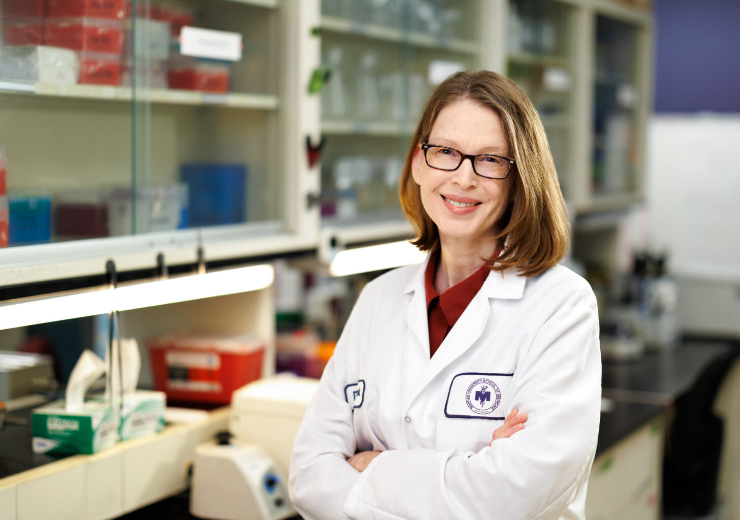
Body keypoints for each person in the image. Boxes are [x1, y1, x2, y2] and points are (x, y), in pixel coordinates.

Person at [289, 70, 601, 520]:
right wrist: (468, 471)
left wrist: (371, 466)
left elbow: (512, 496)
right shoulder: (378, 299)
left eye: (491, 160)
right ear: (419, 162)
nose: (463, 177)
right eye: (446, 153)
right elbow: (308, 477)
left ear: (519, 179)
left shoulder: (561, 305)